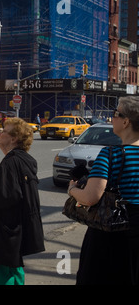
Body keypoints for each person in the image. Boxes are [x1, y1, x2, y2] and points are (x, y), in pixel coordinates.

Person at [67, 96, 139, 285]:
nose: (111, 118)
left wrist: (73, 190)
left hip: (111, 236)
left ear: (126, 121)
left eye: (116, 113)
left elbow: (91, 197)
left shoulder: (111, 154)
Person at [0, 117, 45, 285]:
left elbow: (6, 196)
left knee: (1, 275)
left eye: (4, 131)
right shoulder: (24, 160)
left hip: (5, 234)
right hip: (16, 232)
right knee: (14, 273)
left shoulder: (9, 163)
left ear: (14, 138)